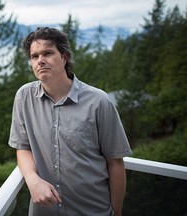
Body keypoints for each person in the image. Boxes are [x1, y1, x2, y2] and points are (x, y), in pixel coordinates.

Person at [8, 27, 132, 216]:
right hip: (44, 212)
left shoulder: (98, 101)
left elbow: (115, 163)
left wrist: (117, 212)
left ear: (64, 56)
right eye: (34, 56)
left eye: (47, 53)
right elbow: (23, 147)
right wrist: (32, 180)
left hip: (93, 211)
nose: (40, 60)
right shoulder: (24, 97)